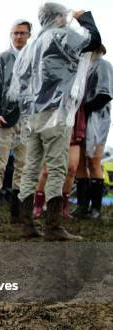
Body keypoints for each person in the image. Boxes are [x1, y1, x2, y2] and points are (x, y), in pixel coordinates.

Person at [12, 3, 101, 240]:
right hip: (56, 113)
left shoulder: (30, 47)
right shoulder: (62, 37)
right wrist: (85, 19)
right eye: (63, 15)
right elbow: (93, 41)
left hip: (33, 115)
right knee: (57, 167)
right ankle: (53, 226)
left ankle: (26, 224)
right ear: (58, 17)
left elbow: (20, 82)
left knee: (31, 167)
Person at [0, 20, 31, 226]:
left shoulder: (35, 58)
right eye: (15, 33)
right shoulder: (0, 59)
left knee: (23, 166)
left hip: (28, 119)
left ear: (29, 35)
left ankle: (16, 214)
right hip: (5, 118)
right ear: (10, 35)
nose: (19, 36)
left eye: (22, 33)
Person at [72, 44, 112, 220]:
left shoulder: (102, 65)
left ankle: (95, 208)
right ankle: (82, 206)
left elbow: (105, 94)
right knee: (80, 163)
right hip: (79, 120)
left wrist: (85, 109)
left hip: (97, 118)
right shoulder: (81, 70)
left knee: (94, 161)